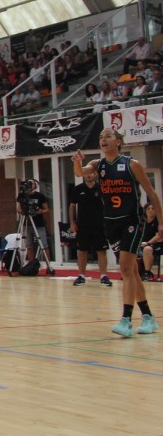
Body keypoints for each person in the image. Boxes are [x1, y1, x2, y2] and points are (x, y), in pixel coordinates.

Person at [73, 129, 162, 337]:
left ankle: (126, 320)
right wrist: (76, 161)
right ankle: (148, 317)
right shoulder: (98, 165)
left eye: (108, 136)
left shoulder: (132, 164)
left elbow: (152, 193)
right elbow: (80, 172)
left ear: (119, 142)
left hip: (131, 221)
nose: (103, 139)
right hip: (110, 224)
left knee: (124, 269)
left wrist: (161, 223)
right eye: (101, 137)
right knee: (130, 271)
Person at [69, 170, 111, 286]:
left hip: (99, 225)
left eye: (91, 173)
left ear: (95, 175)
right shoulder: (78, 189)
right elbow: (72, 206)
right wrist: (72, 222)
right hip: (82, 225)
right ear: (83, 175)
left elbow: (108, 205)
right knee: (82, 251)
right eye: (86, 173)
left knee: (101, 251)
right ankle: (81, 276)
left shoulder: (101, 188)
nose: (88, 175)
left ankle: (103, 276)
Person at [16, 179, 51, 264]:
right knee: (29, 246)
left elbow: (47, 209)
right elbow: (19, 208)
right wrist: (23, 211)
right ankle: (31, 265)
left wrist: (40, 211)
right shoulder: (22, 196)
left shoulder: (40, 196)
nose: (30, 185)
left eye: (31, 183)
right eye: (28, 183)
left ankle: (48, 266)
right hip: (26, 224)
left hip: (38, 223)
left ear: (35, 185)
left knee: (44, 245)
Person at [139, 206, 161, 281]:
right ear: (145, 211)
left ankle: (147, 273)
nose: (151, 210)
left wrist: (148, 243)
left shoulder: (158, 222)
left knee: (147, 249)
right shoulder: (142, 222)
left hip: (156, 244)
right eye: (148, 209)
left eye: (153, 208)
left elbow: (158, 235)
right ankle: (133, 272)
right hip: (142, 243)